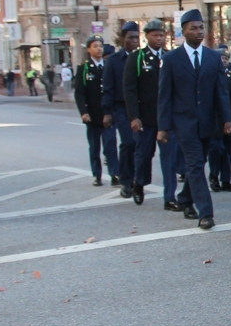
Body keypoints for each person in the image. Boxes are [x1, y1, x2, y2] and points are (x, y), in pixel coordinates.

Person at [158, 9, 231, 230]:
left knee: (199, 163)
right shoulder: (171, 59)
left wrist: (227, 119)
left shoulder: (212, 57)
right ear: (183, 31)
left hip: (208, 122)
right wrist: (163, 127)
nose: (199, 32)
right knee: (195, 164)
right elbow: (165, 96)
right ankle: (206, 213)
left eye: (201, 27)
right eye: (193, 28)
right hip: (184, 123)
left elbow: (221, 91)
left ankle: (185, 198)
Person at [125, 19, 182, 210]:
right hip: (146, 117)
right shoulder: (138, 58)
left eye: (161, 35)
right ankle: (139, 183)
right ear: (147, 36)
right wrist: (134, 116)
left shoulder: (169, 57)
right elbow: (130, 89)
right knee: (144, 154)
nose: (159, 38)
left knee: (170, 158)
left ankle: (169, 197)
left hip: (166, 118)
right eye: (155, 35)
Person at [73, 36, 118, 186]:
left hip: (108, 114)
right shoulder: (84, 68)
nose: (99, 49)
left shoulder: (108, 65)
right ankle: (97, 175)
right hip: (92, 115)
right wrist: (83, 112)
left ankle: (114, 173)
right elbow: (79, 93)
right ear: (89, 49)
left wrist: (112, 112)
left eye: (100, 46)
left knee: (110, 144)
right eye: (95, 46)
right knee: (94, 147)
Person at [102, 21, 140, 197]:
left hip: (142, 107)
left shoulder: (143, 58)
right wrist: (107, 112)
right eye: (130, 37)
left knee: (142, 146)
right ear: (123, 39)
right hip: (122, 108)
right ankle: (126, 180)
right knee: (129, 142)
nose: (134, 41)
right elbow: (108, 88)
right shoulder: (114, 61)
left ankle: (138, 179)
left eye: (136, 37)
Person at [207, 46, 231, 193]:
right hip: (215, 121)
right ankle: (214, 176)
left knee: (227, 151)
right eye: (221, 58)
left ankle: (226, 180)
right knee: (215, 149)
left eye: (226, 59)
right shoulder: (210, 75)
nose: (224, 61)